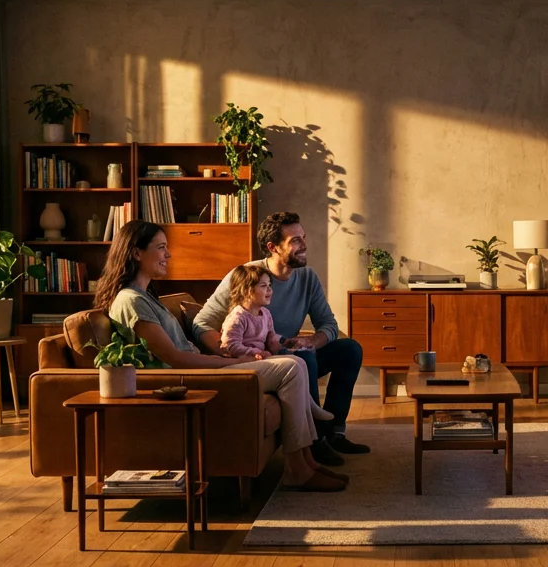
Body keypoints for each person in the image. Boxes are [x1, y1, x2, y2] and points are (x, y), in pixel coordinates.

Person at [93, 219, 346, 492]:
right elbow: (175, 359)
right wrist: (231, 360)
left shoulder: (146, 297)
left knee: (296, 361)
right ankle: (297, 469)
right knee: (291, 368)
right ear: (136, 253)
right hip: (189, 379)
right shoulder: (131, 301)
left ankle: (306, 460)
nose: (168, 254)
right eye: (161, 247)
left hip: (201, 369)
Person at [195, 211, 368, 466]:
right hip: (263, 360)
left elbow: (329, 325)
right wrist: (232, 354)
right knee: (305, 359)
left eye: (303, 237)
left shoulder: (307, 277)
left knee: (350, 349)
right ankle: (314, 440)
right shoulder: (247, 276)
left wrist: (310, 341)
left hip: (285, 349)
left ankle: (334, 432)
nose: (304, 245)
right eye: (295, 240)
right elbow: (201, 323)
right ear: (273, 247)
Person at [218, 263, 332, 422]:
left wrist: (285, 344)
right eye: (263, 286)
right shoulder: (238, 317)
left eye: (270, 285)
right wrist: (255, 352)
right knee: (296, 364)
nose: (270, 290)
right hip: (246, 361)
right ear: (247, 290)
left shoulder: (265, 314)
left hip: (262, 357)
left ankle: (310, 406)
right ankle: (312, 409)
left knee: (300, 360)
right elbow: (229, 345)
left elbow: (271, 337)